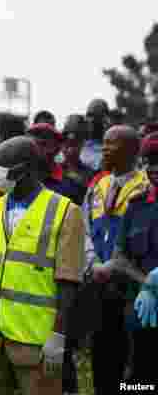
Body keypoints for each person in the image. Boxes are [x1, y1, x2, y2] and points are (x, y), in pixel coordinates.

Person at [0, 136, 84, 395]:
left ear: (23, 171)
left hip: (36, 340)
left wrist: (58, 336)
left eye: (0, 167)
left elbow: (68, 281)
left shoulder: (65, 212)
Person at [81, 125, 148, 390]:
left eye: (112, 143)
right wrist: (92, 262)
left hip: (132, 289)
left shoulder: (145, 187)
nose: (105, 148)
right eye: (104, 142)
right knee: (102, 358)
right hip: (100, 286)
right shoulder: (97, 184)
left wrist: (118, 266)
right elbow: (84, 229)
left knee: (135, 364)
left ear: (132, 150)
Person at [115, 132, 158, 382]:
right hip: (142, 309)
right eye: (150, 161)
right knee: (138, 381)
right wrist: (147, 283)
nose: (155, 168)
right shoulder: (136, 206)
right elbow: (119, 255)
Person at [27, 123, 88, 204]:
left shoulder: (73, 185)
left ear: (56, 149)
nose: (36, 150)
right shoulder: (20, 182)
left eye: (43, 144)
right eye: (31, 145)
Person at [59, 114, 92, 189]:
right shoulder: (53, 171)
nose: (70, 149)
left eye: (75, 143)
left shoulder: (90, 174)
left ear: (82, 143)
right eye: (66, 141)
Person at [80, 98, 111, 176]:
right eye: (89, 116)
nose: (90, 120)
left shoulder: (111, 147)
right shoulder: (77, 145)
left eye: (94, 117)